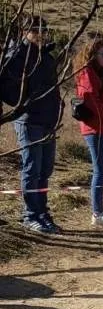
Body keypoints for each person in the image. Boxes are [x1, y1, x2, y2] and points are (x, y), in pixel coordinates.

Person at [2, 16, 63, 233]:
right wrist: (23, 104)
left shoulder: (46, 56)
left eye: (43, 29)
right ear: (23, 31)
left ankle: (42, 213)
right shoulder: (17, 55)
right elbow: (6, 88)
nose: (41, 33)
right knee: (32, 169)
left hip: (49, 120)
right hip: (29, 121)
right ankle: (30, 215)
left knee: (45, 170)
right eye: (35, 29)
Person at [73, 37, 103, 226]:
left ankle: (99, 209)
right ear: (93, 55)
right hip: (96, 128)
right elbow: (94, 104)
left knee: (102, 170)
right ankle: (97, 212)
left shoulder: (99, 74)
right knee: (100, 171)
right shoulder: (88, 74)